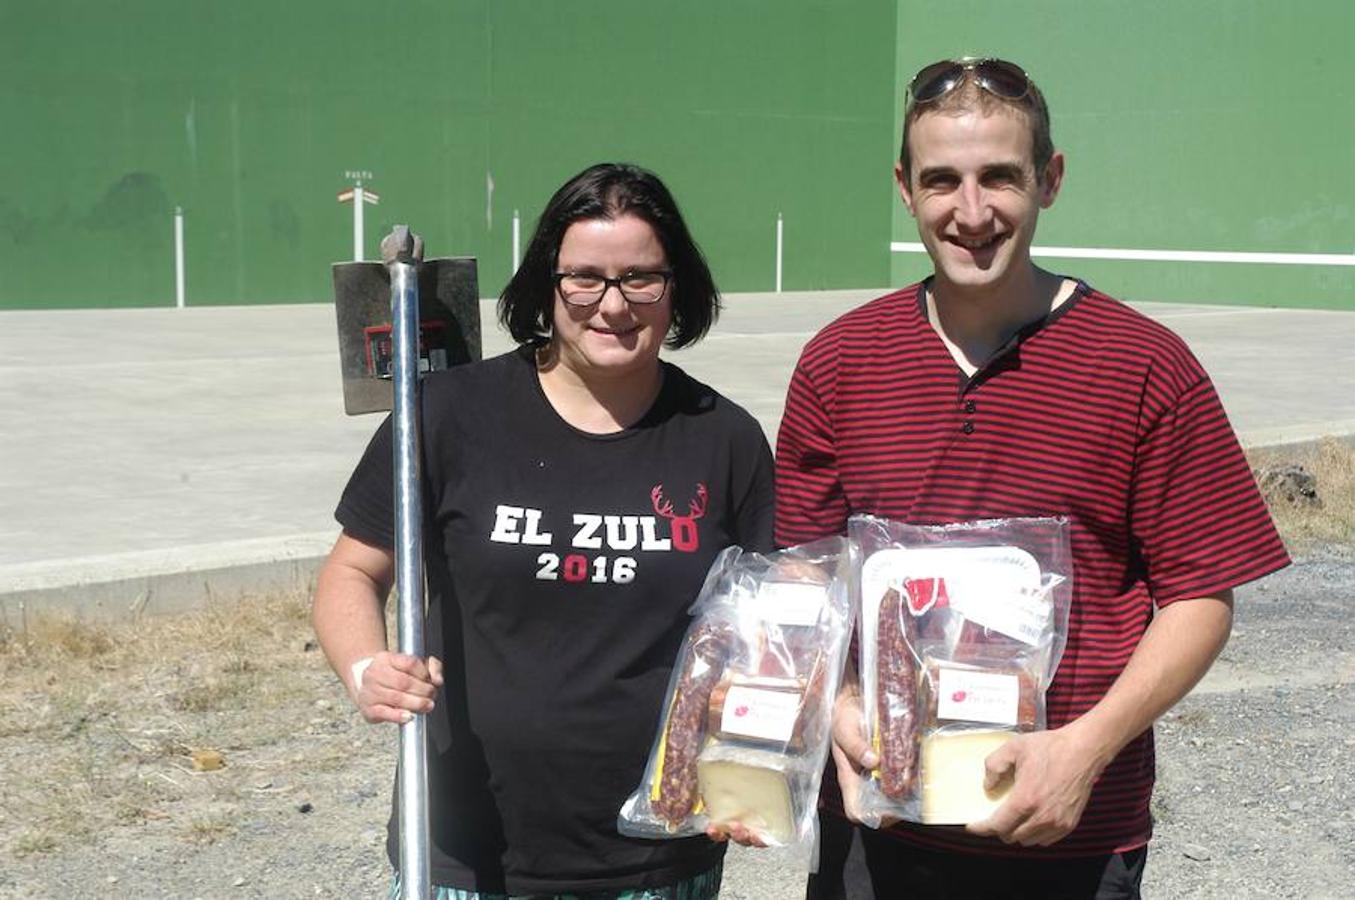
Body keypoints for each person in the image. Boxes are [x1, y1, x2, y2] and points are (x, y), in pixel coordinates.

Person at [774, 58, 1291, 899]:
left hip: (1067, 836)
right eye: (941, 179)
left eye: (999, 178)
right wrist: (836, 702)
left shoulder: (1143, 366)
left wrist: (1082, 750)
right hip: (879, 827)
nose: (970, 212)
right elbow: (804, 570)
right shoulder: (840, 360)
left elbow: (1199, 597)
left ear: (1047, 180)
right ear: (904, 188)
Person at [312, 162, 775, 898]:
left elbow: (766, 637)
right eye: (584, 278)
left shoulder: (723, 439)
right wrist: (367, 667)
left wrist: (754, 763)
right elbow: (352, 572)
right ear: (545, 285)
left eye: (640, 279)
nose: (613, 305)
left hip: (654, 852)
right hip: (466, 847)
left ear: (675, 285)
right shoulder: (449, 415)